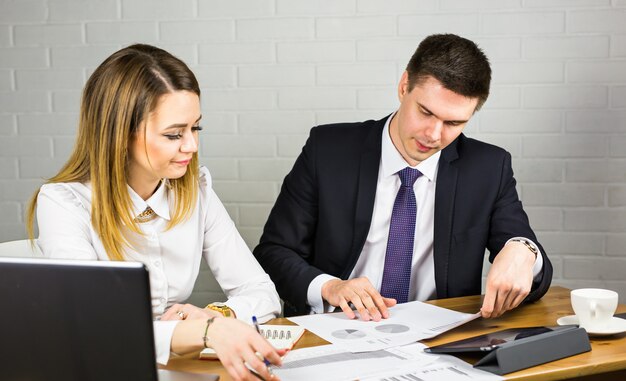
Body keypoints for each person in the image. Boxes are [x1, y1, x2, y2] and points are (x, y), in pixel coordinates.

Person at [26, 44, 284, 381]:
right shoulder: (63, 203)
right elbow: (93, 327)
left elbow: (262, 293)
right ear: (120, 135)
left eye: (196, 129)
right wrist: (206, 331)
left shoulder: (197, 190)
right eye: (174, 134)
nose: (191, 146)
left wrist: (216, 315)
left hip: (176, 367)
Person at [253, 34, 553, 321]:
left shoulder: (489, 166)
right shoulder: (328, 150)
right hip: (337, 328)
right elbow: (274, 252)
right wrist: (330, 287)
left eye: (454, 122)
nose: (434, 135)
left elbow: (533, 266)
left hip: (438, 340)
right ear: (404, 85)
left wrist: (523, 252)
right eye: (425, 112)